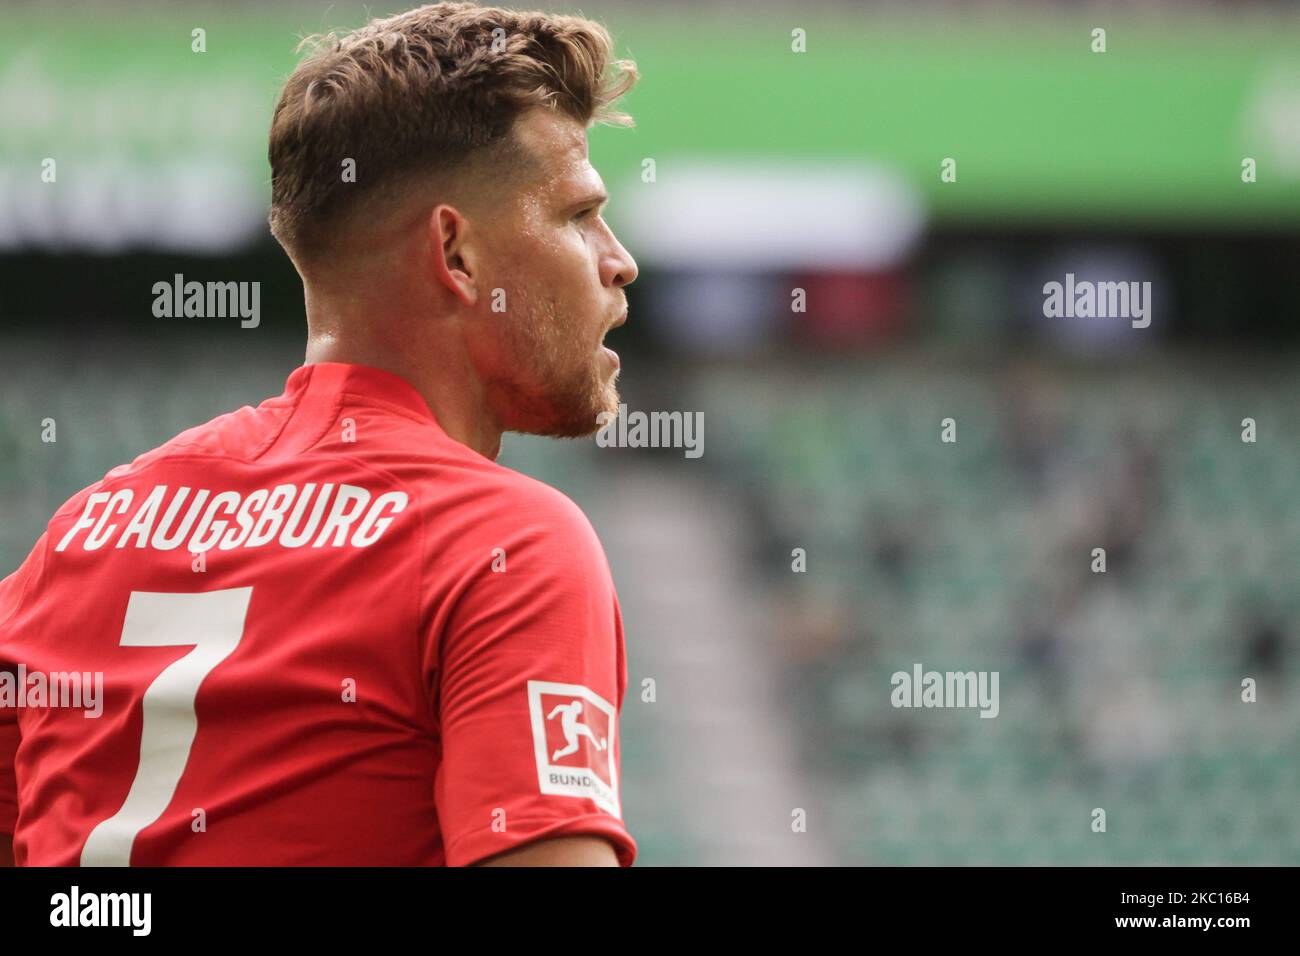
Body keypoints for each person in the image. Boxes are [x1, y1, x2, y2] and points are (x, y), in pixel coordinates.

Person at [0, 1, 640, 867]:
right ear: (456, 256)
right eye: (577, 215)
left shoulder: (77, 539)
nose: (618, 259)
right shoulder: (505, 549)